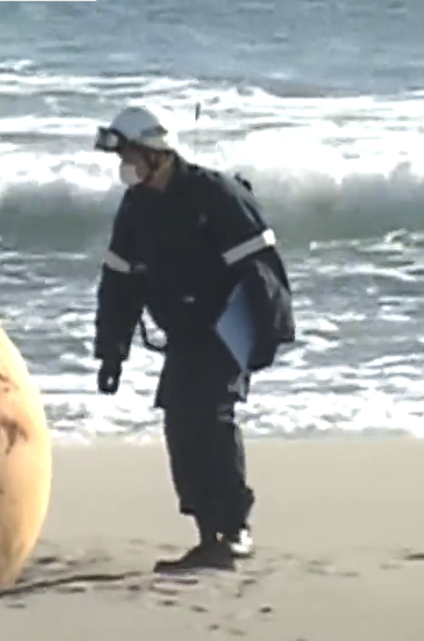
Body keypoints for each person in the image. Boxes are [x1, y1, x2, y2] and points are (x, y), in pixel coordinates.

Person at [90, 106, 295, 565]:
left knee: (212, 417)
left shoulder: (217, 195)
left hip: (229, 327)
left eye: (130, 155)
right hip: (185, 334)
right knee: (180, 423)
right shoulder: (136, 207)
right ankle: (207, 533)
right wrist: (111, 352)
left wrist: (268, 335)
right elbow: (119, 283)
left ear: (157, 154)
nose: (124, 165)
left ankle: (236, 528)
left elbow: (263, 270)